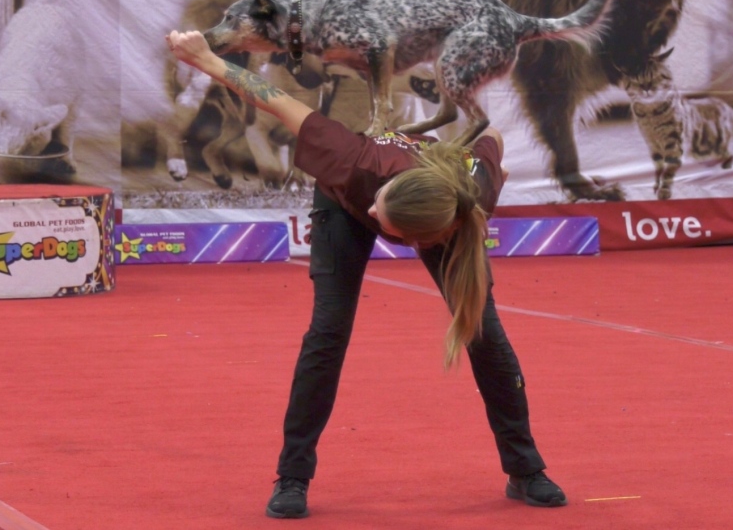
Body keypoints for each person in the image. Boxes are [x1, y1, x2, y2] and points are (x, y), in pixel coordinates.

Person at [166, 30, 566, 519]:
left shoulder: (470, 195)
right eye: (379, 209)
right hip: (340, 201)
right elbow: (274, 99)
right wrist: (205, 58)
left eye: (384, 222)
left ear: (422, 239)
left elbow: (493, 136)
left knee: (486, 332)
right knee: (328, 331)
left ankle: (525, 469)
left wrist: (471, 169)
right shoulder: (351, 161)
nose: (375, 218)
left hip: (439, 201)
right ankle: (292, 475)